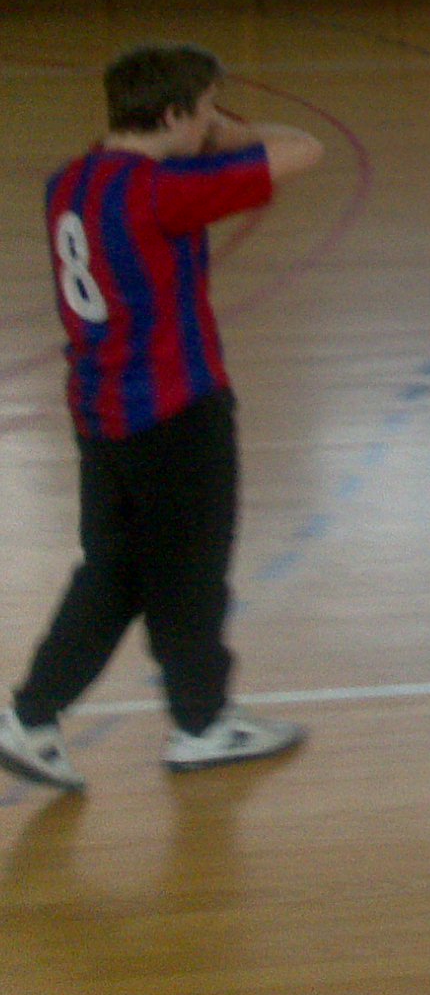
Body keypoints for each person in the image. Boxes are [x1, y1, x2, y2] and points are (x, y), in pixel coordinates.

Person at [0, 46, 324, 791]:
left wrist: (202, 130)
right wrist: (235, 135)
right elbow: (304, 149)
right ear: (176, 114)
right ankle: (202, 726)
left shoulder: (69, 182)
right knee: (190, 575)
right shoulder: (163, 190)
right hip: (176, 411)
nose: (213, 123)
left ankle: (32, 716)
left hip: (99, 412)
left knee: (115, 573)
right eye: (205, 109)